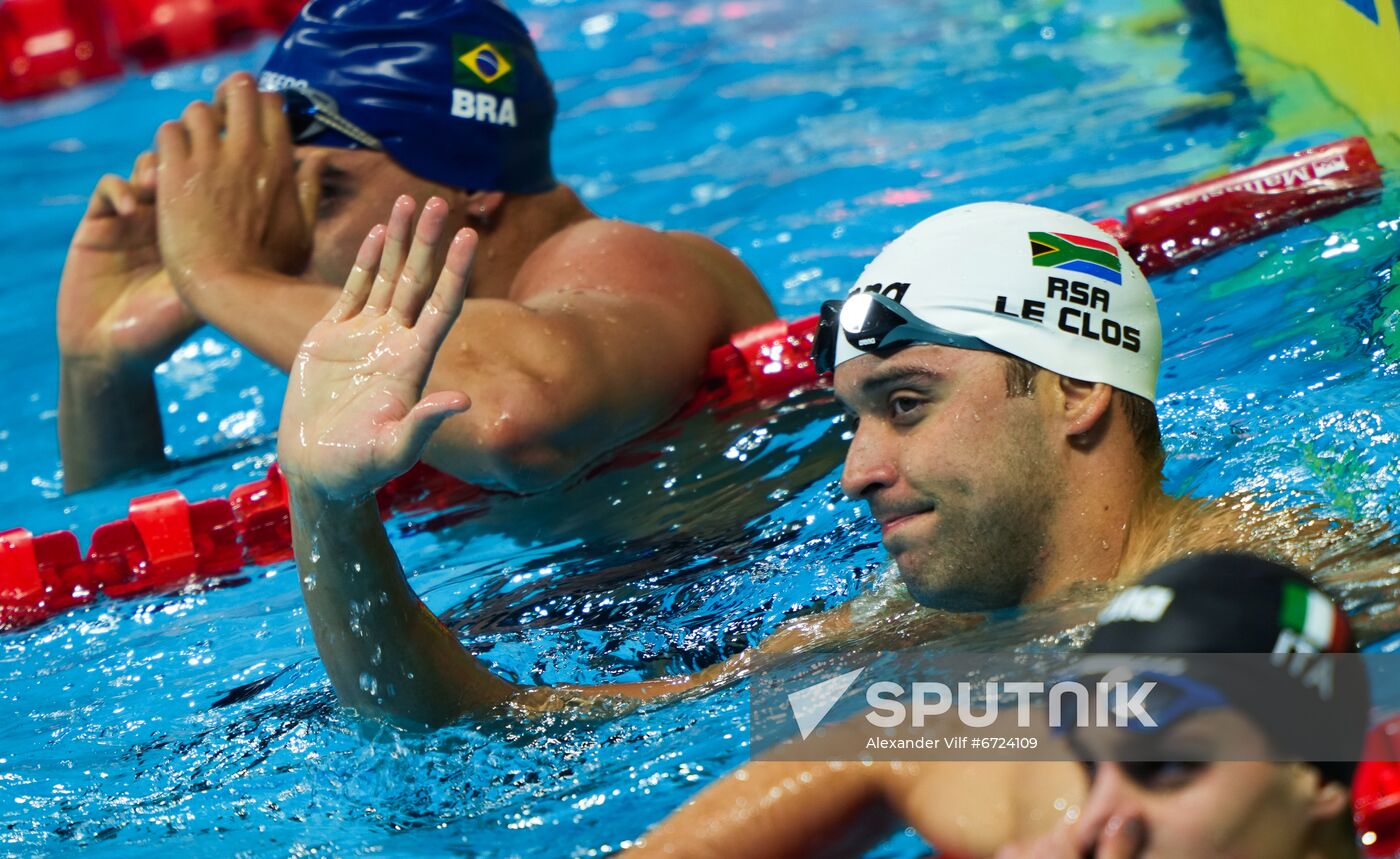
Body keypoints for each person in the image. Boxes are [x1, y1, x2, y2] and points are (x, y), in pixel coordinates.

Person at [276, 198, 1353, 731]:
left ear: (1075, 390)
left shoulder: (1286, 582)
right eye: (851, 421)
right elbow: (500, 729)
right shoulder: (888, 638)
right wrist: (328, 503)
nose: (855, 472)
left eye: (904, 404)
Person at [55, 0, 775, 494]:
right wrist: (102, 369)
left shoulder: (620, 257)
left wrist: (220, 272)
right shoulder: (426, 358)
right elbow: (132, 536)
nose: (295, 240)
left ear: (475, 178)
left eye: (327, 192)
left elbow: (515, 424)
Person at [630, 553, 1372, 858]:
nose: (1095, 822)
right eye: (1089, 762)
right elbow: (883, 739)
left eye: (1170, 765)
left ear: (1318, 779)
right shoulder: (1071, 817)